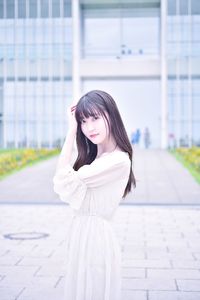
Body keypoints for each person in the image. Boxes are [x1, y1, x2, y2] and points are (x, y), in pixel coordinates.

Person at [53, 90, 136, 300]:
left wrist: (71, 132)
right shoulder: (96, 158)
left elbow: (62, 178)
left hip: (95, 240)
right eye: (82, 121)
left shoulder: (117, 160)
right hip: (83, 236)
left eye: (95, 118)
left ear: (111, 115)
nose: (89, 127)